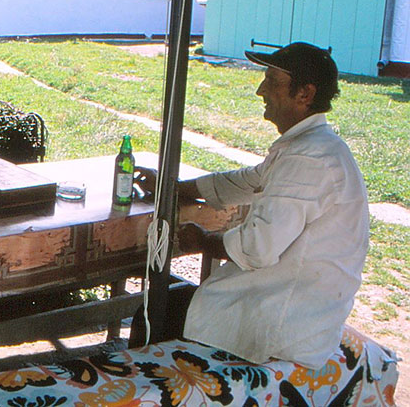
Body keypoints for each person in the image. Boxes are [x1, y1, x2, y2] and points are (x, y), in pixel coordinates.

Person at [137, 42, 368, 368]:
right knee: (173, 302)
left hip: (289, 321)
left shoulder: (309, 158)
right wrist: (176, 188)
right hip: (301, 304)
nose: (261, 90)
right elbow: (251, 180)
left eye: (272, 81)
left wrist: (203, 241)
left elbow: (258, 248)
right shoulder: (313, 146)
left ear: (305, 94)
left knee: (157, 309)